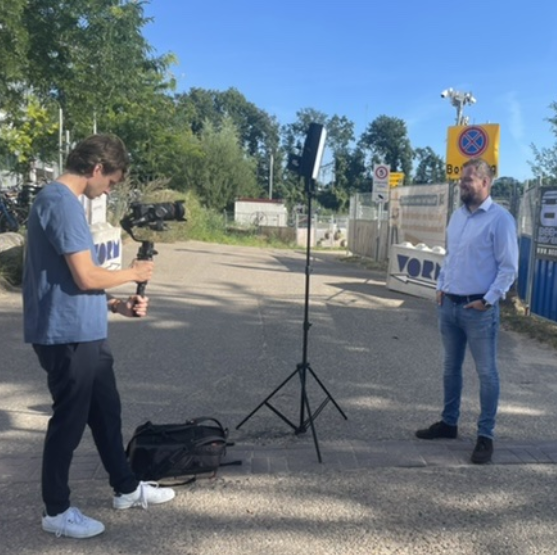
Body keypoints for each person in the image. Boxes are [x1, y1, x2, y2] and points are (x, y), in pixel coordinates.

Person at [23, 134, 175, 539]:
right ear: (96, 168)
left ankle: (126, 488)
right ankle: (56, 511)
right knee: (69, 422)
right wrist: (133, 273)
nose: (108, 190)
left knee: (107, 413)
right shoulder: (61, 203)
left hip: (85, 329)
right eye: (110, 181)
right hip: (67, 335)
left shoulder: (61, 202)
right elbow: (86, 276)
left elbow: (69, 279)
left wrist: (115, 305)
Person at [415, 157, 519, 464]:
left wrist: (488, 300)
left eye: (468, 180)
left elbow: (509, 267)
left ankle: (485, 436)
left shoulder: (500, 219)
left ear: (485, 182)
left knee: (487, 374)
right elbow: (451, 257)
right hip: (449, 305)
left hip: (479, 310)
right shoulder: (457, 216)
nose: (462, 184)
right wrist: (441, 286)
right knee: (450, 368)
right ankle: (449, 423)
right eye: (461, 179)